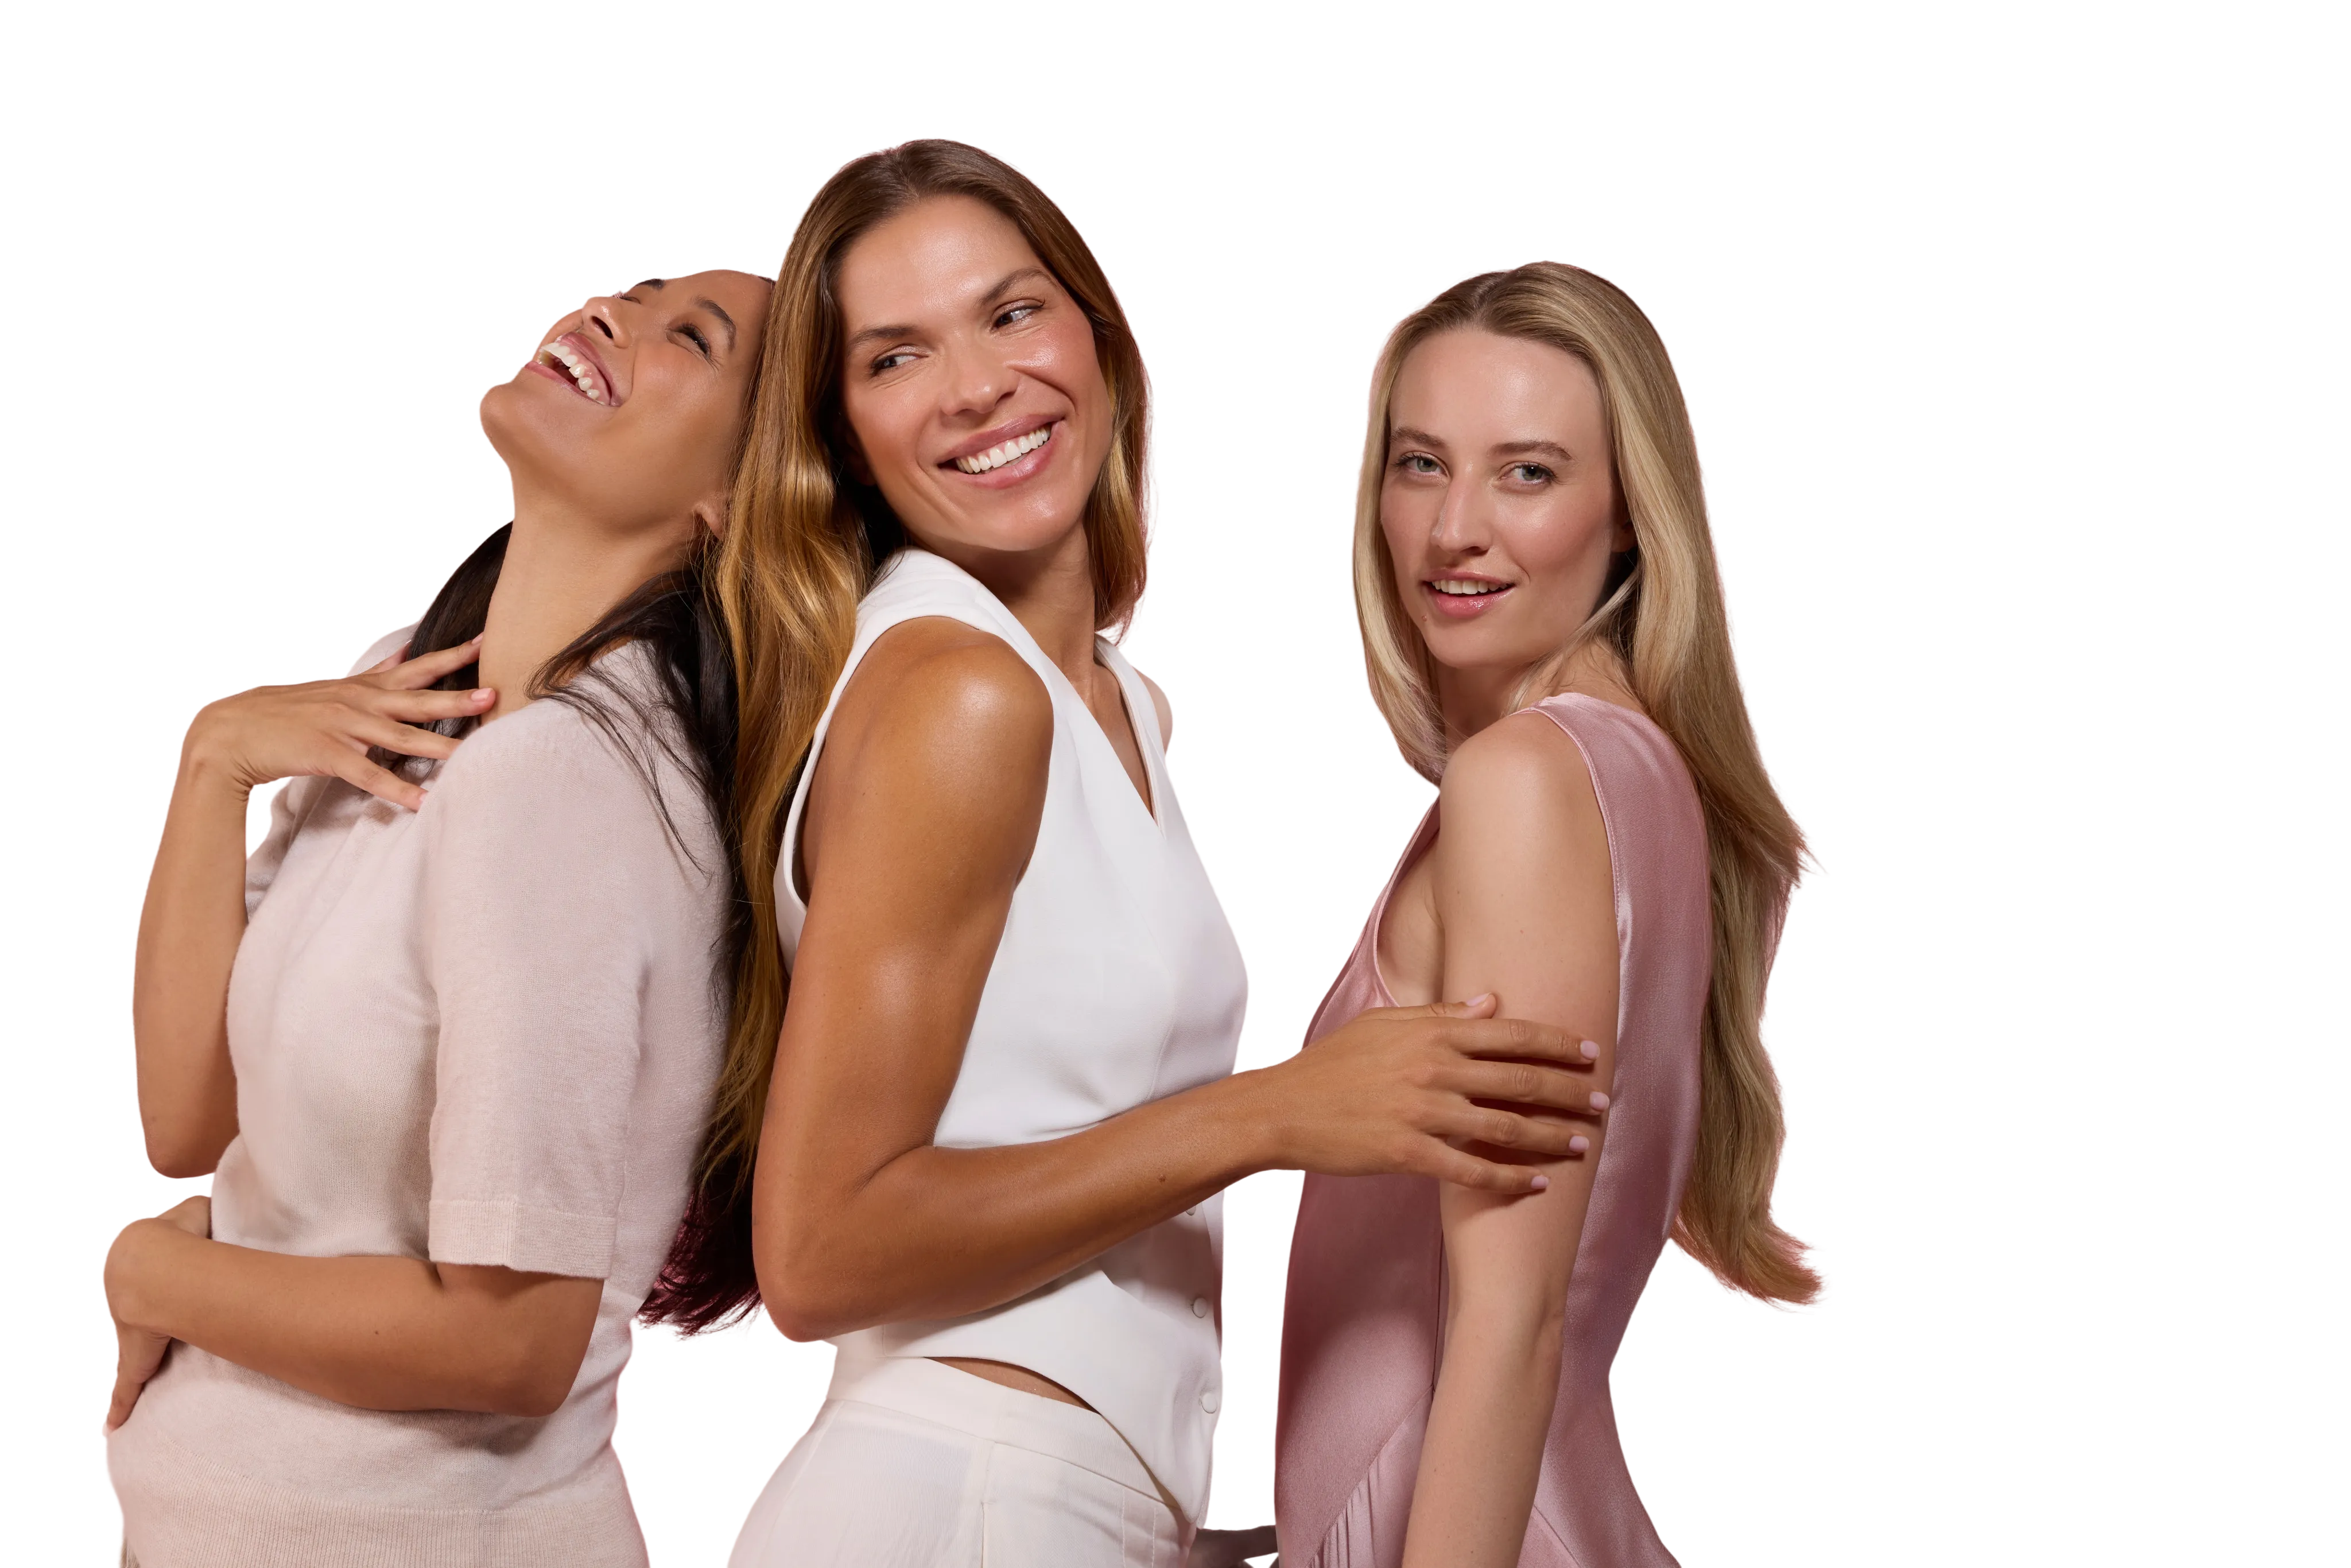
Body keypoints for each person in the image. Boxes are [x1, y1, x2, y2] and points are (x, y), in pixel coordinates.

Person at [651, 140, 1606, 1568]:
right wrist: (1277, 1113)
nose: (976, 384)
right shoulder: (950, 693)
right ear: (842, 433)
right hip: (949, 1500)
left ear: (1101, 337)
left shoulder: (1114, 700)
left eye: (1011, 311)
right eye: (895, 357)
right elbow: (819, 1255)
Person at [102, 268, 771, 1567]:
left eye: (690, 335)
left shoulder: (570, 779)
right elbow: (194, 1121)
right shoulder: (396, 684)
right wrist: (210, 762)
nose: (608, 314)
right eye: (628, 291)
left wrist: (148, 1271)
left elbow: (510, 1341)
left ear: (736, 504)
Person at [1273, 262, 1833, 1568]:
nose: (1451, 529)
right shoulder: (1632, 772)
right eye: (1419, 464)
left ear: (1629, 511)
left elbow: (1511, 1325)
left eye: (1524, 473)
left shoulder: (1523, 781)